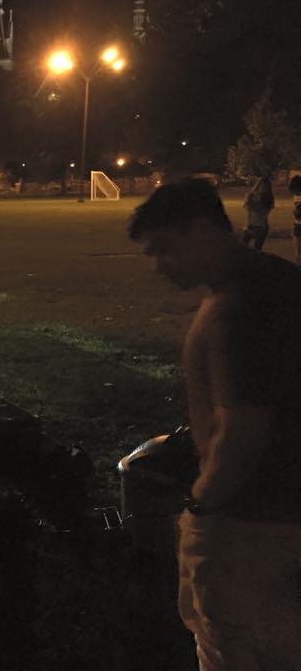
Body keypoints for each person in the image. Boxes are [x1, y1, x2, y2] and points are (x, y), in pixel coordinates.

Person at [128, 178, 301, 671]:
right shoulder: (279, 283)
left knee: (233, 650)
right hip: (279, 521)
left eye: (164, 249)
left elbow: (243, 430)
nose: (159, 266)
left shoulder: (241, 309)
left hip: (249, 527)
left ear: (201, 228)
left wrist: (201, 508)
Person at [240, 174, 274, 250]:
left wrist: (256, 187)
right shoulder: (252, 196)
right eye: (262, 186)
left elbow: (261, 210)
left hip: (260, 227)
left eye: (265, 187)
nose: (263, 189)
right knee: (243, 249)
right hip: (250, 225)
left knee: (256, 250)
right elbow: (246, 205)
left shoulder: (268, 199)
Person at [290, 174, 301, 263]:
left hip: (298, 223)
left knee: (298, 253)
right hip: (297, 223)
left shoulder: (297, 196)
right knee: (297, 252)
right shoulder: (296, 196)